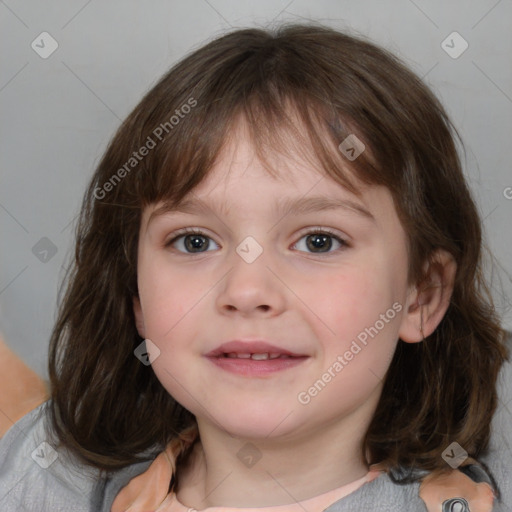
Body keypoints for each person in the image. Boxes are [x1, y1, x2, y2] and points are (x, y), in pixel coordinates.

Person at [0, 23, 510, 512]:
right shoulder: (45, 479)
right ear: (136, 295)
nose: (246, 290)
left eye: (318, 241)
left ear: (421, 296)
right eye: (194, 241)